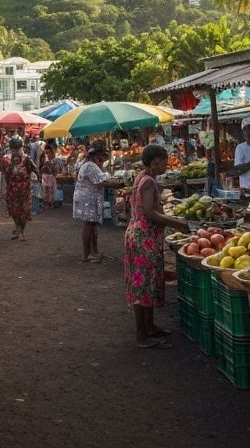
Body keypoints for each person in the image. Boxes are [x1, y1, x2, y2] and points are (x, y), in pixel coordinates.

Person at [124, 144, 188, 348]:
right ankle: (141, 335)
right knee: (142, 285)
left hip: (142, 234)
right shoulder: (149, 182)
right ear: (155, 162)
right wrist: (177, 223)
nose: (167, 164)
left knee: (148, 282)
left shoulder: (143, 177)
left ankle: (149, 327)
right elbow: (150, 212)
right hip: (143, 237)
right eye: (164, 160)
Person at [73, 141, 115, 262]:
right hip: (88, 199)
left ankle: (93, 252)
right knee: (88, 224)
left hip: (88, 198)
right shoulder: (90, 165)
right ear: (97, 154)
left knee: (92, 225)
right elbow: (100, 182)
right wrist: (116, 184)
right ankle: (87, 254)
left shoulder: (89, 164)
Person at [0, 136, 38, 241]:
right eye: (13, 148)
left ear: (22, 148)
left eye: (17, 148)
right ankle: (18, 229)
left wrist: (37, 179)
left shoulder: (27, 158)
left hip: (25, 189)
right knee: (14, 210)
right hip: (12, 188)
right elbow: (4, 172)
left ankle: (21, 232)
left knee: (24, 211)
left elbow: (35, 169)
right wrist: (12, 165)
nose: (15, 151)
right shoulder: (5, 159)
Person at [39, 142, 58, 208]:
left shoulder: (53, 158)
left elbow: (55, 169)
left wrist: (52, 169)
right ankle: (46, 203)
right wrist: (45, 166)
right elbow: (41, 167)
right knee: (46, 190)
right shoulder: (44, 157)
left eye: (48, 152)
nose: (47, 154)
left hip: (51, 176)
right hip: (45, 176)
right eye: (46, 152)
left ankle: (51, 203)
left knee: (52, 190)